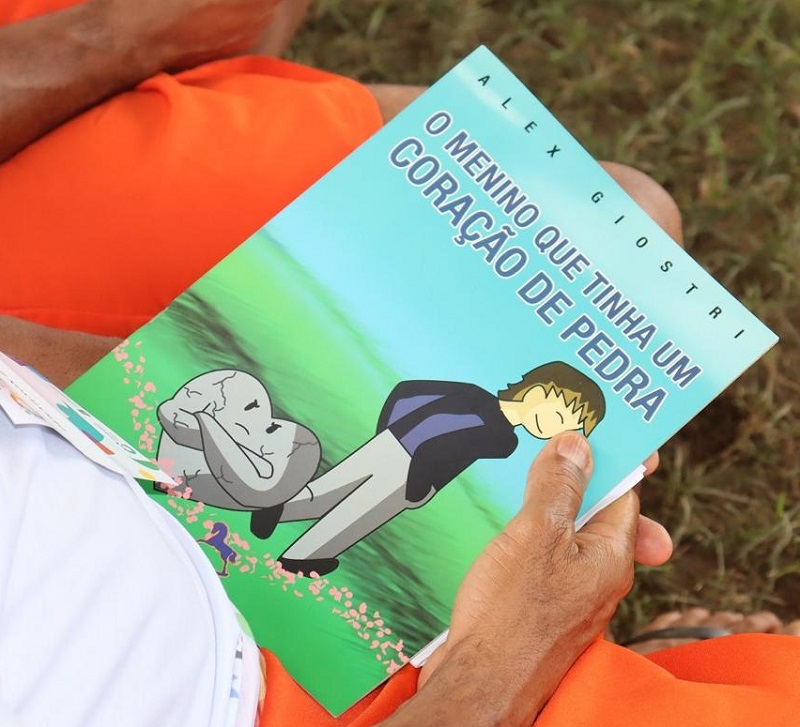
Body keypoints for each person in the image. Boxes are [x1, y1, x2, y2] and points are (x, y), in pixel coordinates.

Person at [1, 1, 799, 725]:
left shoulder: (485, 417)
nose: (554, 422)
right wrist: (501, 669)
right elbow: (419, 417)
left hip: (72, 447)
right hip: (258, 670)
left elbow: (413, 403)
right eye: (559, 411)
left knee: (621, 212)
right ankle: (593, 663)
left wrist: (124, 379)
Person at [277, 362, 606, 576]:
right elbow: (441, 448)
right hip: (411, 473)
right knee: (357, 513)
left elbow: (406, 394)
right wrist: (418, 484)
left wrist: (390, 433)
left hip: (392, 445)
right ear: (536, 390)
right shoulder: (503, 440)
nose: (555, 430)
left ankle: (277, 511)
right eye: (558, 416)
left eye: (566, 426)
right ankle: (301, 557)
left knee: (330, 489)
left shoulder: (474, 396)